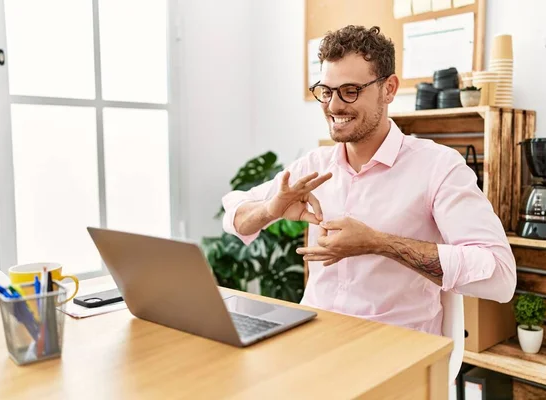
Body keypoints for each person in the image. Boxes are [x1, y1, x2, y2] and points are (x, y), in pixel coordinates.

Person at [221, 25, 516, 335]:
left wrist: (379, 243)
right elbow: (236, 214)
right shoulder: (314, 165)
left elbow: (500, 276)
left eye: (350, 91)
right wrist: (271, 209)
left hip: (396, 350)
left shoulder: (439, 167)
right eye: (326, 91)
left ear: (388, 89)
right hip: (314, 338)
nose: (334, 106)